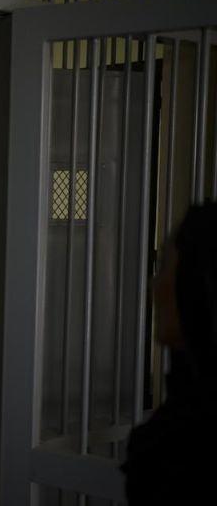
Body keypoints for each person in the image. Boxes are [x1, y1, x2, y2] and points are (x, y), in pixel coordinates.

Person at [121, 202, 217, 505]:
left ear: (199, 281)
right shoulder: (183, 414)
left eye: (164, 265)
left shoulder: (193, 445)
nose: (153, 285)